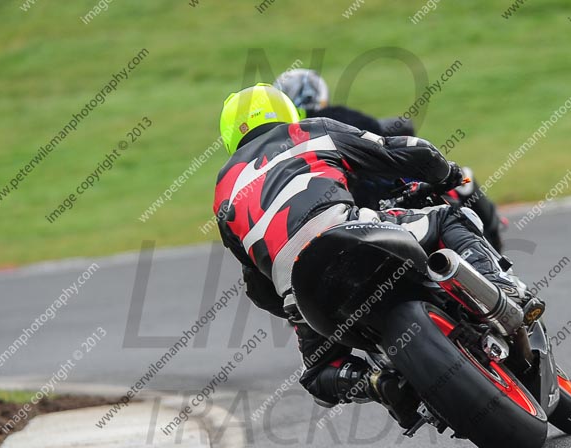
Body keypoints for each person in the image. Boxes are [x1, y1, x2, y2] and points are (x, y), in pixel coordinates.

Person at [215, 84, 528, 426]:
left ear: (229, 134)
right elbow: (399, 150)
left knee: (319, 375)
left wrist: (292, 303)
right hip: (349, 234)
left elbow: (257, 287)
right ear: (286, 110)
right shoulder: (309, 130)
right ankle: (500, 288)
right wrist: (447, 173)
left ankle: (377, 384)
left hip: (299, 287)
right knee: (446, 216)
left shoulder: (223, 192)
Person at [273, 69, 506, 251]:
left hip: (333, 229)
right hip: (384, 205)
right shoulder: (335, 118)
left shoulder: (277, 153)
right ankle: (494, 257)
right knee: (461, 184)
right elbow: (380, 139)